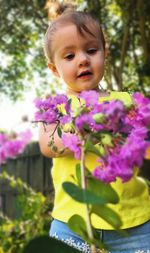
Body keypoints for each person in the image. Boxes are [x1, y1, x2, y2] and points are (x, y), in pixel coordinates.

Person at [38, 6, 150, 253]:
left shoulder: (126, 101)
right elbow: (47, 145)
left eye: (91, 50)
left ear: (104, 53)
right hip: (72, 223)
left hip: (133, 224)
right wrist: (82, 131)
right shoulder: (55, 107)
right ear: (54, 69)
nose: (83, 60)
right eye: (69, 56)